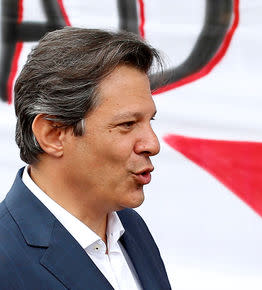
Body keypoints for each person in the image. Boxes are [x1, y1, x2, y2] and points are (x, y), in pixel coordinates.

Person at [0, 27, 171, 290]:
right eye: (127, 124)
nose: (152, 144)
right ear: (52, 134)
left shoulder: (130, 228)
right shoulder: (6, 257)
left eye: (150, 121)